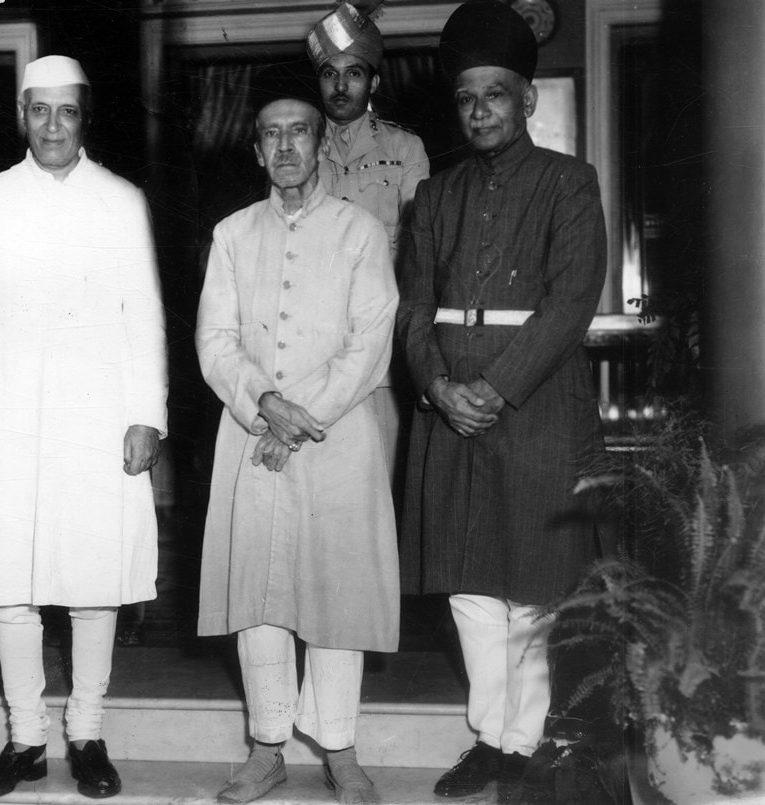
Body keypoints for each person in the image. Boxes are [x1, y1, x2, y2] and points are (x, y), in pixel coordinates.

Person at [395, 2, 607, 802]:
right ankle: (490, 738)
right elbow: (414, 308)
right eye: (466, 97)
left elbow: (569, 302)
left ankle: (527, 741)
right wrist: (440, 384)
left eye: (496, 94)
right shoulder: (434, 196)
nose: (479, 110)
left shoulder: (568, 183)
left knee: (531, 583)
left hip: (538, 406)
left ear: (528, 101)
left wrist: (494, 385)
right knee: (471, 586)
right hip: (451, 409)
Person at [0, 55, 168, 801]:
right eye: (38, 111)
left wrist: (148, 412)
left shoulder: (121, 200)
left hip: (98, 411)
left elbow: (146, 316)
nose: (52, 126)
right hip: (8, 409)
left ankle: (87, 730)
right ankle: (24, 738)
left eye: (65, 111)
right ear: (21, 116)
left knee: (92, 579)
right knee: (12, 581)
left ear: (85, 116)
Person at [195, 64, 399, 805]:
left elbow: (370, 340)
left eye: (299, 131)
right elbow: (214, 340)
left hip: (339, 436)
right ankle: (267, 746)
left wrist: (299, 413)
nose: (286, 145)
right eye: (271, 134)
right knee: (260, 595)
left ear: (321, 145)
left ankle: (340, 749)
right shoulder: (231, 234)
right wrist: (265, 404)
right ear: (256, 151)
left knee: (336, 595)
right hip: (253, 434)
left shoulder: (360, 231)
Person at [306, 0, 429, 482]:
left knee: (379, 477)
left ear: (373, 82)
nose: (341, 86)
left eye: (353, 74)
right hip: (314, 345)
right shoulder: (298, 152)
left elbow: (419, 250)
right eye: (330, 74)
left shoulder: (404, 149)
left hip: (382, 349)